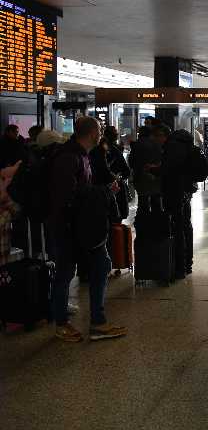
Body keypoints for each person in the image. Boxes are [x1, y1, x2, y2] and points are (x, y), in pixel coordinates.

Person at [47, 116, 127, 342]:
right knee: (65, 273)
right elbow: (67, 197)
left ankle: (98, 323)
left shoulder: (81, 155)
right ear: (92, 133)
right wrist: (105, 192)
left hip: (81, 224)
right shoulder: (69, 158)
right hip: (68, 226)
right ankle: (62, 323)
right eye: (100, 129)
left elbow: (80, 191)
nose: (102, 132)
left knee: (101, 266)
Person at [160, 129, 207, 279]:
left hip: (174, 192)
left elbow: (168, 170)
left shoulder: (172, 147)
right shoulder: (188, 147)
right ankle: (187, 264)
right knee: (186, 225)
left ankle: (178, 267)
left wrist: (155, 170)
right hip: (186, 192)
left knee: (177, 228)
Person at [103, 126, 132, 220]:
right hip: (116, 190)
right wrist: (119, 178)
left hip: (101, 193)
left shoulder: (95, 151)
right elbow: (126, 171)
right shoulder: (116, 151)